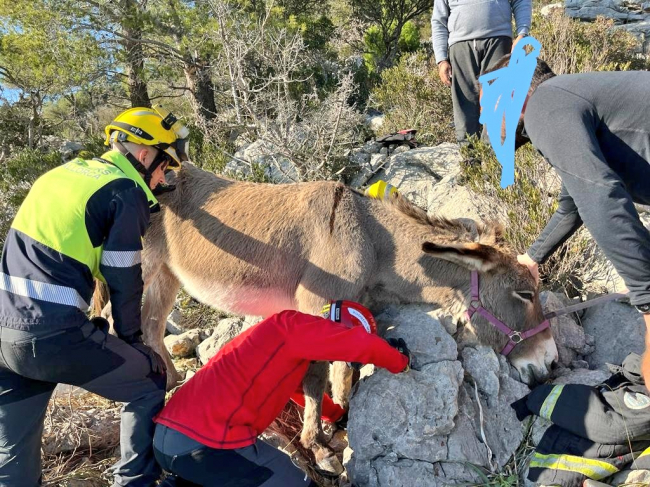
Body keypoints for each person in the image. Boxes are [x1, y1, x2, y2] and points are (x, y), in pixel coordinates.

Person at [0, 106, 190, 486]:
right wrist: (136, 344)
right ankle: (134, 482)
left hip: (5, 335)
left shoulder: (61, 175)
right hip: (52, 337)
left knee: (13, 460)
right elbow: (124, 279)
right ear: (144, 155)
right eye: (165, 166)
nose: (163, 178)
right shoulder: (125, 190)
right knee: (148, 381)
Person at [481, 55, 650, 384]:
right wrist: (533, 256)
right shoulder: (562, 101)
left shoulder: (545, 106)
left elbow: (602, 196)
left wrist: (647, 300)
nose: (485, 122)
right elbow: (575, 201)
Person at [152, 301, 411, 486]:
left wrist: (335, 415)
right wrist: (398, 359)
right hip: (205, 442)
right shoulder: (294, 325)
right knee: (290, 480)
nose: (335, 360)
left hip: (171, 440)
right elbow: (355, 343)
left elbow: (297, 390)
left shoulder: (280, 341)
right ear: (339, 327)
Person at [431, 0, 532, 145]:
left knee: (498, 103)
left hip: (498, 40)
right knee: (464, 105)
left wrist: (522, 34)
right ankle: (469, 159)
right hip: (460, 45)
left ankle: (493, 159)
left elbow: (521, 1)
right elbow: (439, 20)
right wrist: (441, 59)